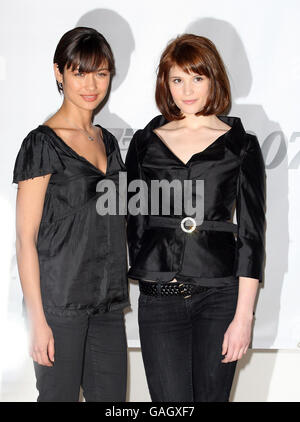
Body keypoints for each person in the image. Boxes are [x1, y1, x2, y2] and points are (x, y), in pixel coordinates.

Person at [125, 34, 266, 402]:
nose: (187, 90)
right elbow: (135, 223)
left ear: (213, 79)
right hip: (159, 301)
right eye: (177, 79)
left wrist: (244, 318)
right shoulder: (144, 143)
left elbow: (252, 235)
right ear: (165, 84)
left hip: (220, 298)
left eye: (197, 78)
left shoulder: (241, 145)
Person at [12, 27, 129, 402]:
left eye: (101, 72)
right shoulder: (42, 142)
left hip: (108, 302)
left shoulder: (108, 141)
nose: (91, 84)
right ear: (59, 73)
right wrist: (38, 323)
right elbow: (25, 238)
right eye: (79, 72)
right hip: (58, 306)